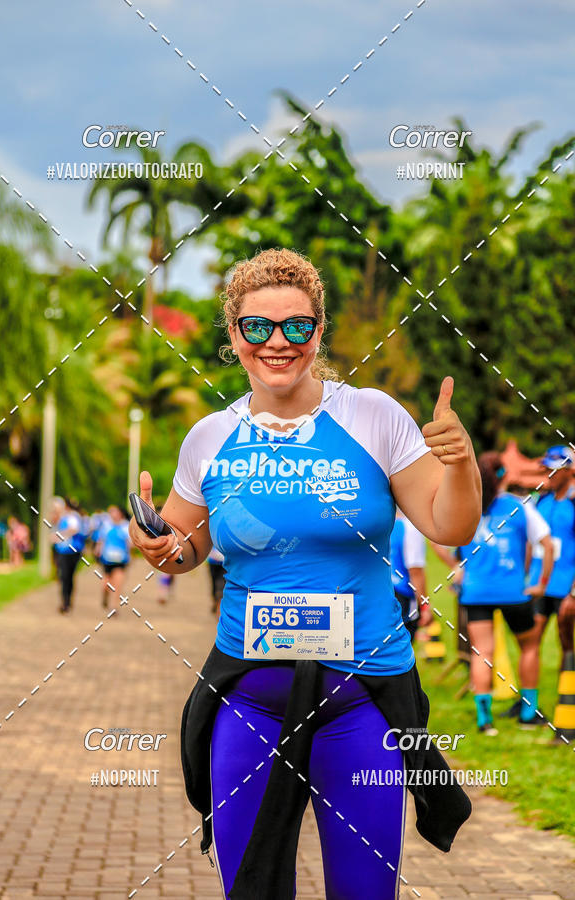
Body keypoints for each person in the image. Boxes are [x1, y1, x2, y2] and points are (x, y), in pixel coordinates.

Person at [129, 248, 482, 899]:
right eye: (257, 327)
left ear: (319, 331)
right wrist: (154, 541)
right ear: (234, 336)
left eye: (297, 326)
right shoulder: (210, 437)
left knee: (364, 890)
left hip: (360, 701)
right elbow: (184, 546)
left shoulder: (371, 416)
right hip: (251, 700)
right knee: (253, 887)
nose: (278, 342)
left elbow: (450, 528)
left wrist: (461, 465)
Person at [457, 452, 553, 734]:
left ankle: (484, 720)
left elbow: (441, 539)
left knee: (482, 653)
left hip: (475, 592)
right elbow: (546, 544)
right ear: (503, 476)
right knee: (530, 647)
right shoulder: (518, 506)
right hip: (514, 592)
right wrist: (541, 583)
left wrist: (458, 567)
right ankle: (527, 713)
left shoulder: (466, 505)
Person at [529, 447, 575, 673]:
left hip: (567, 588)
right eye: (546, 470)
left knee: (567, 645)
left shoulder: (573, 501)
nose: (549, 476)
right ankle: (529, 704)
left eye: (555, 471)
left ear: (569, 471)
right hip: (541, 585)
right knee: (530, 642)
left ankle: (566, 699)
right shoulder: (541, 501)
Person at [389, 510, 432, 641]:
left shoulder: (377, 524)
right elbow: (415, 572)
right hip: (401, 596)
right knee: (400, 649)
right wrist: (425, 606)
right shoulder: (410, 528)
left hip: (375, 593)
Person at [52, 498, 86, 614]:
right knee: (64, 576)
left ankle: (67, 600)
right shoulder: (63, 516)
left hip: (73, 550)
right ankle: (65, 602)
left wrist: (59, 535)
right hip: (63, 550)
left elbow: (74, 530)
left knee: (69, 576)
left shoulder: (73, 516)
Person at [94, 505, 130, 613]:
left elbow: (130, 543)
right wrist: (98, 549)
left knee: (117, 584)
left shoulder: (126, 526)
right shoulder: (106, 525)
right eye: (111, 512)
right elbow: (101, 540)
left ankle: (115, 607)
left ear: (120, 513)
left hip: (121, 560)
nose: (112, 514)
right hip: (107, 559)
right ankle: (105, 597)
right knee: (105, 585)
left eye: (114, 512)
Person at [207, 545, 225, 616]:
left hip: (224, 561)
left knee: (221, 585)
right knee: (214, 584)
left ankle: (219, 608)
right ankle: (215, 601)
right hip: (212, 560)